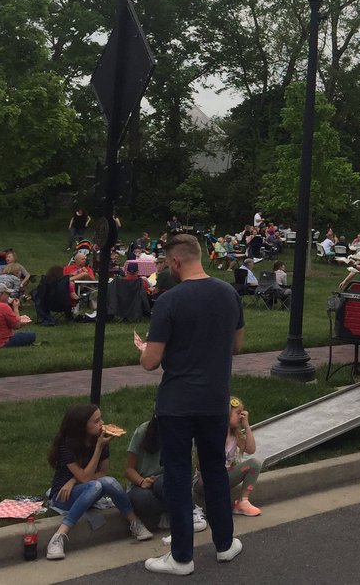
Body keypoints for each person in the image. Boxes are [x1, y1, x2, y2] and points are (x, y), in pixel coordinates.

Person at [137, 233, 245, 575]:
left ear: (175, 262)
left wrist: (145, 350)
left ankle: (182, 557)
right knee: (215, 470)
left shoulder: (169, 301)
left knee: (178, 475)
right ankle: (225, 544)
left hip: (177, 402)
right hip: (215, 399)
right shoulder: (229, 294)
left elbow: (151, 362)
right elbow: (237, 346)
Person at [44, 404, 154, 560]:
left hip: (87, 489)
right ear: (83, 426)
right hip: (62, 496)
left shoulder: (101, 440)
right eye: (96, 421)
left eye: (100, 418)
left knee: (110, 481)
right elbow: (85, 478)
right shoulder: (67, 445)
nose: (102, 423)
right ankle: (58, 537)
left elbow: (102, 473)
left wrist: (73, 480)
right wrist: (98, 449)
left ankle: (135, 523)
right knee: (95, 484)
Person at [125, 411, 208, 534]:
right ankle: (168, 516)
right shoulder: (142, 431)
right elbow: (129, 470)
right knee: (144, 500)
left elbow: (184, 469)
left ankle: (190, 511)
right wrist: (142, 481)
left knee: (164, 483)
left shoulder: (181, 434)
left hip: (165, 479)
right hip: (140, 485)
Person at [223, 396, 263, 516]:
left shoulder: (235, 436)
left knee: (254, 463)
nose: (241, 416)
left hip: (224, 476)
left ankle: (243, 502)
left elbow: (251, 449)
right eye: (238, 413)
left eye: (242, 413)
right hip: (205, 479)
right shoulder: (213, 433)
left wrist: (246, 426)